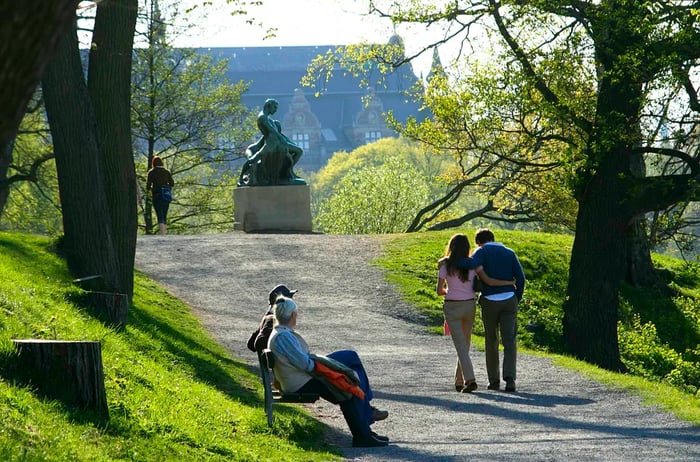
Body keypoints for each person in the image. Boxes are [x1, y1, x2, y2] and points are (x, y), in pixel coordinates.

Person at [268, 296, 389, 448]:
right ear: (293, 315)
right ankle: (363, 433)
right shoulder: (283, 337)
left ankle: (365, 420)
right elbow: (305, 364)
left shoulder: (280, 332)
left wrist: (327, 364)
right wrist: (327, 367)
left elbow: (302, 360)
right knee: (347, 386)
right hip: (302, 381)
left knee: (351, 357)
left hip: (302, 376)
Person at [437, 233, 514, 393]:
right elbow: (489, 281)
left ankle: (470, 380)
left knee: (460, 346)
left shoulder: (445, 265)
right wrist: (508, 283)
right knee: (464, 344)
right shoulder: (473, 265)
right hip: (469, 305)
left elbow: (439, 291)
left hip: (452, 306)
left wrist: (449, 290)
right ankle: (459, 381)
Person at [459, 228, 526, 392]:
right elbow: (521, 278)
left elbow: (471, 264)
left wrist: (453, 259)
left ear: (479, 242)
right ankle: (510, 379)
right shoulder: (509, 252)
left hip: (489, 300)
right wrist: (517, 297)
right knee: (509, 340)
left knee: (492, 340)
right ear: (493, 238)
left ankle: (494, 381)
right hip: (509, 299)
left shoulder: (482, 251)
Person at [237, 98, 305, 186]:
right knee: (252, 160)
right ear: (269, 106)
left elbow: (277, 134)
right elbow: (272, 132)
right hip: (269, 145)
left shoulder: (269, 119)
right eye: (275, 107)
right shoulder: (262, 117)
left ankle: (287, 173)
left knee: (299, 151)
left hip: (276, 143)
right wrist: (283, 141)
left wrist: (287, 141)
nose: (276, 110)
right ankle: (241, 178)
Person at [247, 284, 298, 354]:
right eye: (290, 298)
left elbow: (251, 345)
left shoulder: (267, 317)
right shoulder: (275, 320)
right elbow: (258, 343)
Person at [146, 155, 174, 235]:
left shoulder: (151, 172)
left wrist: (152, 189)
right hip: (165, 194)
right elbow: (172, 183)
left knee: (159, 213)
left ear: (153, 163)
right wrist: (166, 186)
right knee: (164, 213)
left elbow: (148, 186)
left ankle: (162, 233)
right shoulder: (166, 172)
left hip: (156, 195)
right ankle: (164, 231)